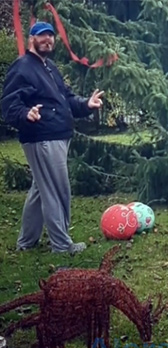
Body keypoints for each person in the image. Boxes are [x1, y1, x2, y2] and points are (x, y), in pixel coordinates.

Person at [1, 21, 104, 254]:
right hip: (42, 137)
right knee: (57, 189)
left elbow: (66, 98)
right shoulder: (22, 67)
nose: (47, 39)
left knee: (41, 189)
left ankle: (26, 242)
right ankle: (61, 244)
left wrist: (86, 104)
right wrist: (26, 114)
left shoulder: (49, 67)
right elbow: (8, 104)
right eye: (41, 35)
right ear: (31, 40)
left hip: (57, 134)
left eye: (50, 36)